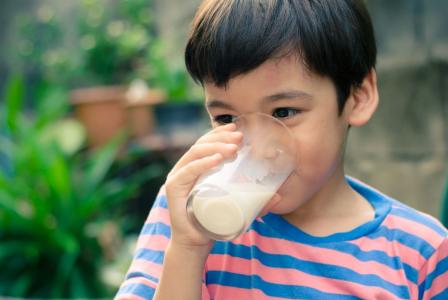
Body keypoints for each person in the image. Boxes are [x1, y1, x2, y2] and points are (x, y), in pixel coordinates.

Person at [115, 0, 448, 299]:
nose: (256, 144)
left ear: (357, 97)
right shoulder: (186, 217)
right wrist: (186, 251)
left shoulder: (419, 253)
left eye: (283, 113)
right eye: (227, 117)